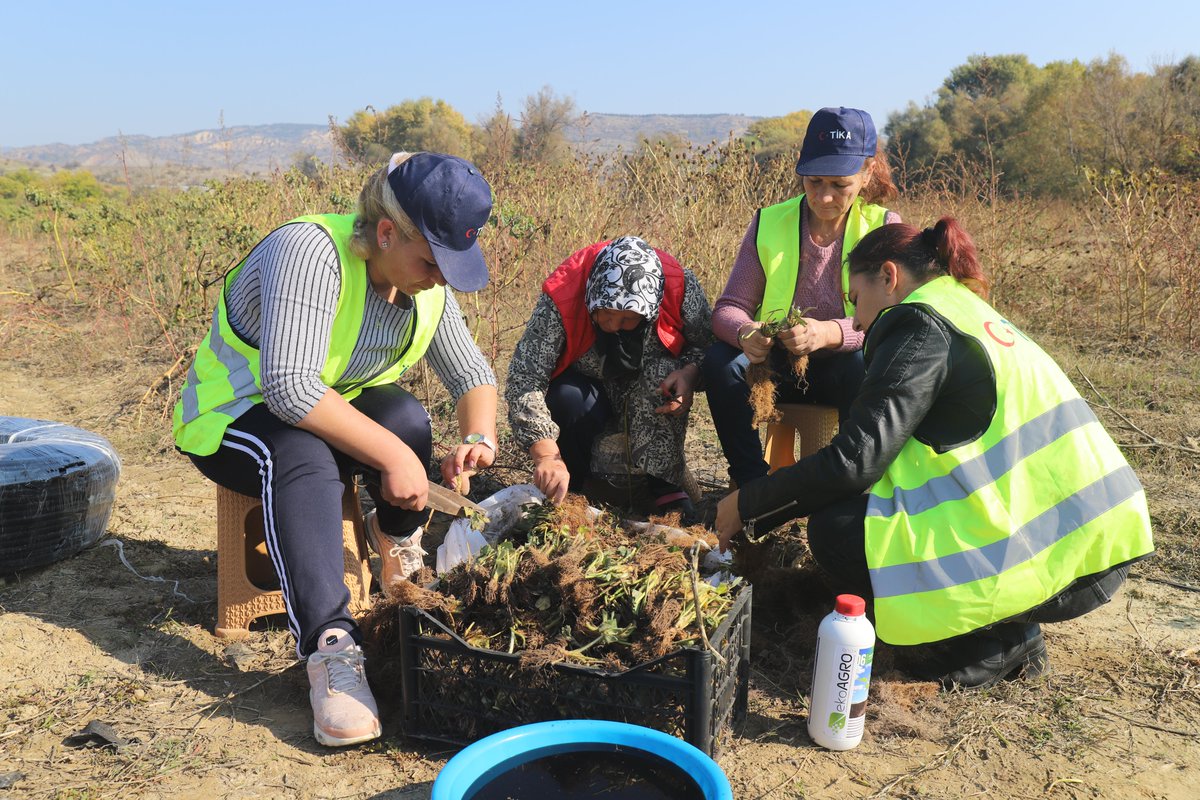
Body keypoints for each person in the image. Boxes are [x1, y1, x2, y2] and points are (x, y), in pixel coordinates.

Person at [715, 217, 1155, 688]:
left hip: (1066, 556)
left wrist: (747, 504)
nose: (855, 319)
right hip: (1094, 537)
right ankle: (1002, 628)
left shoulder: (918, 324)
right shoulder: (960, 306)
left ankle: (990, 642)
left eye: (855, 298)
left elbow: (854, 461)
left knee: (838, 530)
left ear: (889, 277)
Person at [172, 152, 500, 746]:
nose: (440, 279)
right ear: (385, 232)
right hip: (233, 416)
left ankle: (396, 543)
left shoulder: (424, 285)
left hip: (322, 409)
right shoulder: (309, 253)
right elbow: (290, 388)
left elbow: (472, 374)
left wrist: (478, 438)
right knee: (303, 454)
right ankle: (331, 646)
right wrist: (393, 458)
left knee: (405, 417)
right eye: (432, 262)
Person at [703, 107, 900, 487]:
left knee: (863, 365)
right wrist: (746, 332)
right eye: (814, 181)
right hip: (776, 367)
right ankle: (752, 486)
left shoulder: (884, 227)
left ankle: (852, 484)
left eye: (839, 185)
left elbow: (894, 320)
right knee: (721, 363)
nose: (824, 197)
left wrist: (828, 333)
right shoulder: (769, 222)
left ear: (867, 172)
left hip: (845, 373)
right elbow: (729, 308)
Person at [506, 236, 712, 520]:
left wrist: (689, 374)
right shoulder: (564, 295)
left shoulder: (679, 287)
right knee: (568, 397)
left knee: (663, 374)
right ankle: (573, 486)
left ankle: (664, 486)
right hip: (588, 390)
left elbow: (708, 347)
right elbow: (525, 376)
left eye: (628, 319)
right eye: (605, 314)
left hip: (649, 390)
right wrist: (545, 453)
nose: (614, 326)